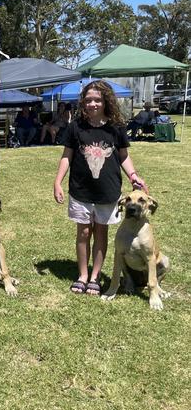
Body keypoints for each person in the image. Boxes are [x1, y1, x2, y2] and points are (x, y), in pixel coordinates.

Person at [53, 80, 148, 296]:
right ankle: (83, 275)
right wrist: (57, 181)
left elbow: (123, 156)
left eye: (97, 99)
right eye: (88, 100)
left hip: (108, 191)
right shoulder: (75, 126)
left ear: (106, 101)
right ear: (83, 102)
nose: (92, 104)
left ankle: (95, 276)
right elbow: (67, 156)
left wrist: (133, 176)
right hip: (80, 190)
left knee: (101, 232)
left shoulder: (116, 127)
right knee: (84, 232)